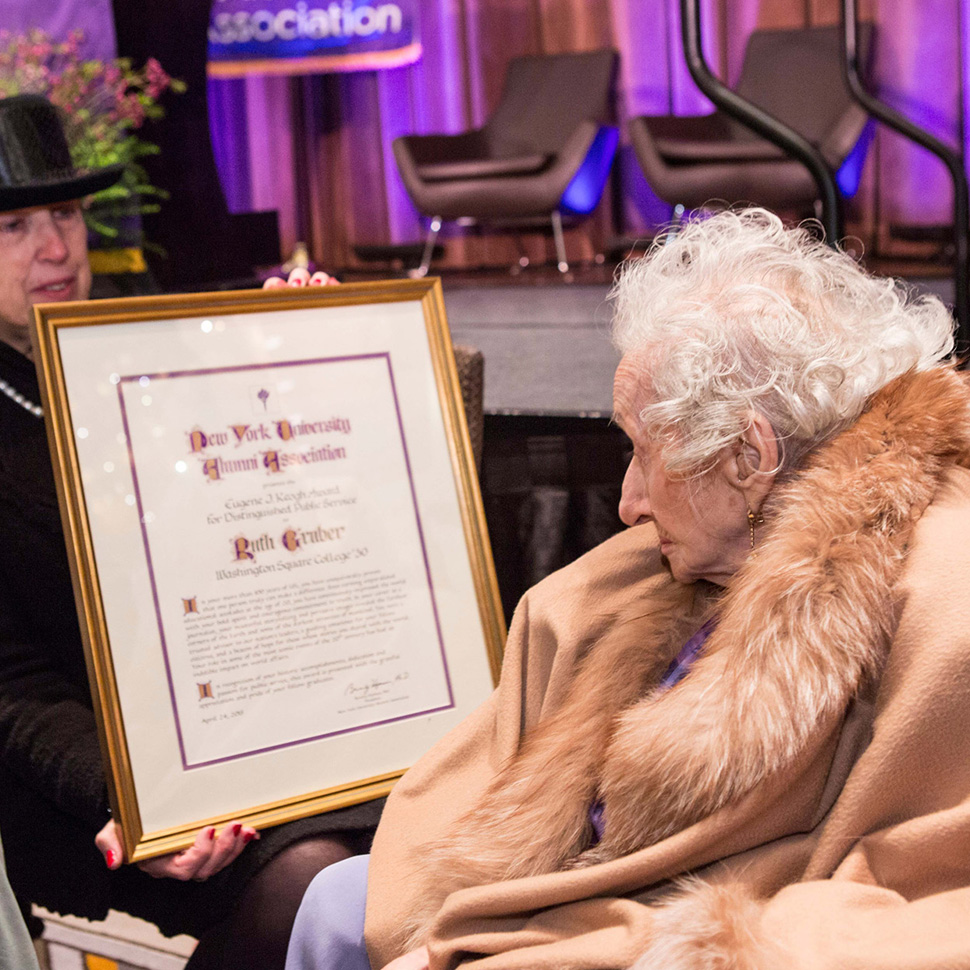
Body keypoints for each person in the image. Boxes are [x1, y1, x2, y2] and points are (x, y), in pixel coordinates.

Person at [287, 206, 970, 970]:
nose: (627, 502)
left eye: (646, 453)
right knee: (332, 902)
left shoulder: (945, 598)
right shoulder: (677, 559)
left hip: (693, 928)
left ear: (749, 454)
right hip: (585, 897)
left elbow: (922, 900)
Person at [0, 92, 377, 970]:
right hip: (78, 796)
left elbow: (273, 548)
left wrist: (308, 363)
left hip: (255, 739)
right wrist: (140, 800)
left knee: (439, 830)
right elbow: (13, 692)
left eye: (64, 213)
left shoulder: (145, 356)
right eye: (14, 226)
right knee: (324, 883)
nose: (55, 247)